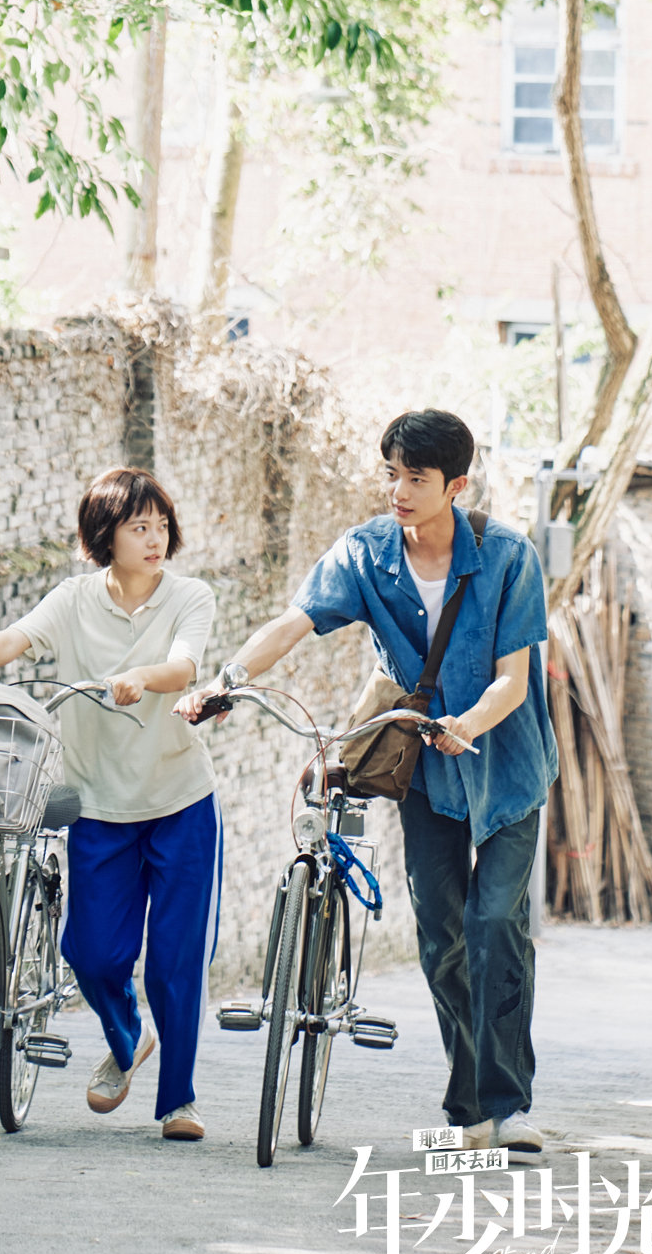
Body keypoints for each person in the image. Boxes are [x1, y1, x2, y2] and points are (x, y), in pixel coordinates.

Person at [177, 409, 557, 1163]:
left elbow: (513, 681)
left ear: (456, 485)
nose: (399, 491)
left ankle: (507, 1106)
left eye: (416, 478)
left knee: (493, 925)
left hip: (506, 768)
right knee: (442, 935)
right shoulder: (366, 552)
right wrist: (228, 679)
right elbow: (293, 622)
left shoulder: (509, 557)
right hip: (424, 772)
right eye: (392, 474)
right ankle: (469, 1102)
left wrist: (468, 723)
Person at [0, 466, 218, 1142]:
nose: (155, 538)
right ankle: (128, 1038)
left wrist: (141, 676)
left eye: (161, 525)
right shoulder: (73, 600)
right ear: (105, 535)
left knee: (174, 960)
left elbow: (186, 666)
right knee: (92, 953)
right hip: (99, 802)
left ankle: (179, 1101)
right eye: (138, 527)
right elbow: (14, 640)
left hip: (179, 800)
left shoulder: (189, 596)